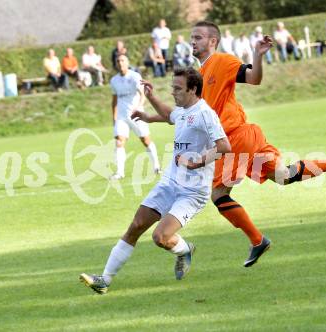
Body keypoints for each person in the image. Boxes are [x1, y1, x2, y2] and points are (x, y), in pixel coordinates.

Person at [190, 21, 326, 267]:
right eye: (192, 37)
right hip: (244, 137)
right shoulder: (199, 74)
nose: (193, 41)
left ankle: (257, 240)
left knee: (218, 194)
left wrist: (257, 56)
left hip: (235, 138)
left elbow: (253, 77)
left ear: (212, 42)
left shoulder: (222, 61)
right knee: (284, 175)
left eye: (198, 37)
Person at [80, 67, 231, 294]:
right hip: (170, 182)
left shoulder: (205, 114)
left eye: (177, 89)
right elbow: (171, 115)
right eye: (172, 87)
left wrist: (197, 162)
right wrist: (150, 102)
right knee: (136, 225)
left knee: (160, 237)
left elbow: (224, 147)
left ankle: (184, 250)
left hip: (192, 192)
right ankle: (104, 280)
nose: (173, 92)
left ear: (193, 90)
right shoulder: (184, 109)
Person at [109, 54, 161, 180]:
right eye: (118, 61)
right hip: (121, 117)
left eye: (122, 60)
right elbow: (114, 100)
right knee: (119, 141)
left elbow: (142, 94)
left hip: (136, 115)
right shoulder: (114, 80)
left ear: (127, 62)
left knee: (146, 140)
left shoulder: (134, 76)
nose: (120, 63)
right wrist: (114, 117)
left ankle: (156, 166)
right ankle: (120, 172)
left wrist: (138, 106)